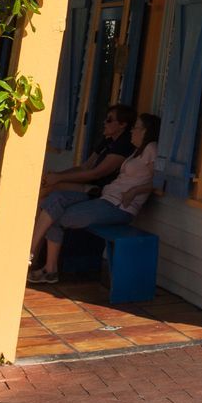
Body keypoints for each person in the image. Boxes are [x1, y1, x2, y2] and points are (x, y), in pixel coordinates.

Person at [30, 113, 159, 284]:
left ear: (146, 131)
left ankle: (43, 264)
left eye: (136, 127)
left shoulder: (152, 148)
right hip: (106, 197)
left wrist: (135, 191)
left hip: (119, 207)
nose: (132, 131)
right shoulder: (136, 152)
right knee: (56, 198)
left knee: (56, 215)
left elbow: (158, 183)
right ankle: (40, 261)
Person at [40, 103, 136, 197]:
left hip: (102, 191)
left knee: (51, 188)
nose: (104, 122)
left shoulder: (124, 144)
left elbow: (96, 173)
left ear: (122, 124)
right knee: (45, 184)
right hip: (89, 184)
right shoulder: (109, 140)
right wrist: (56, 176)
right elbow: (85, 167)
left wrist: (59, 178)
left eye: (109, 120)